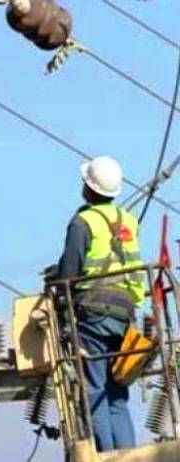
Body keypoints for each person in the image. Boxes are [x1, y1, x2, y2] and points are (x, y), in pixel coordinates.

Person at [54, 156, 146, 451]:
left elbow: (69, 272)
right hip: (125, 312)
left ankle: (107, 455)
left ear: (88, 188)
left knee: (94, 390)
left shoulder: (82, 222)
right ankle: (129, 455)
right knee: (117, 393)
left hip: (93, 313)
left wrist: (59, 297)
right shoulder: (128, 220)